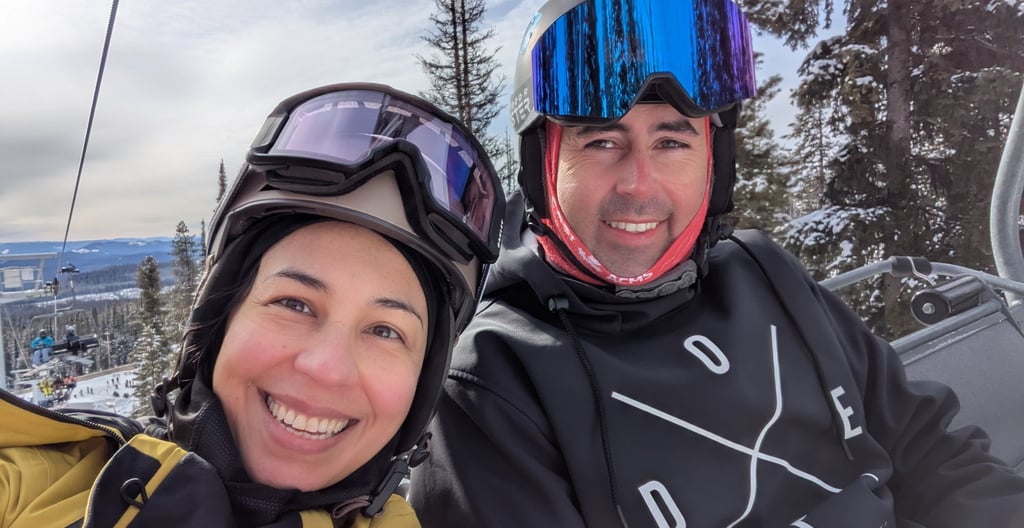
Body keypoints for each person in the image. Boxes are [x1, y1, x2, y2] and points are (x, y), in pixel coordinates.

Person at [407, 0, 1024, 526]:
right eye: (601, 141)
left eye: (672, 141)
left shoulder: (765, 274)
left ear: (714, 160)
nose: (638, 184)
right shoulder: (492, 385)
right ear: (544, 165)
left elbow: (933, 449)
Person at [0, 82, 504, 527]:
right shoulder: (36, 489)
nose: (327, 370)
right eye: (294, 303)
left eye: (386, 331)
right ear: (217, 323)